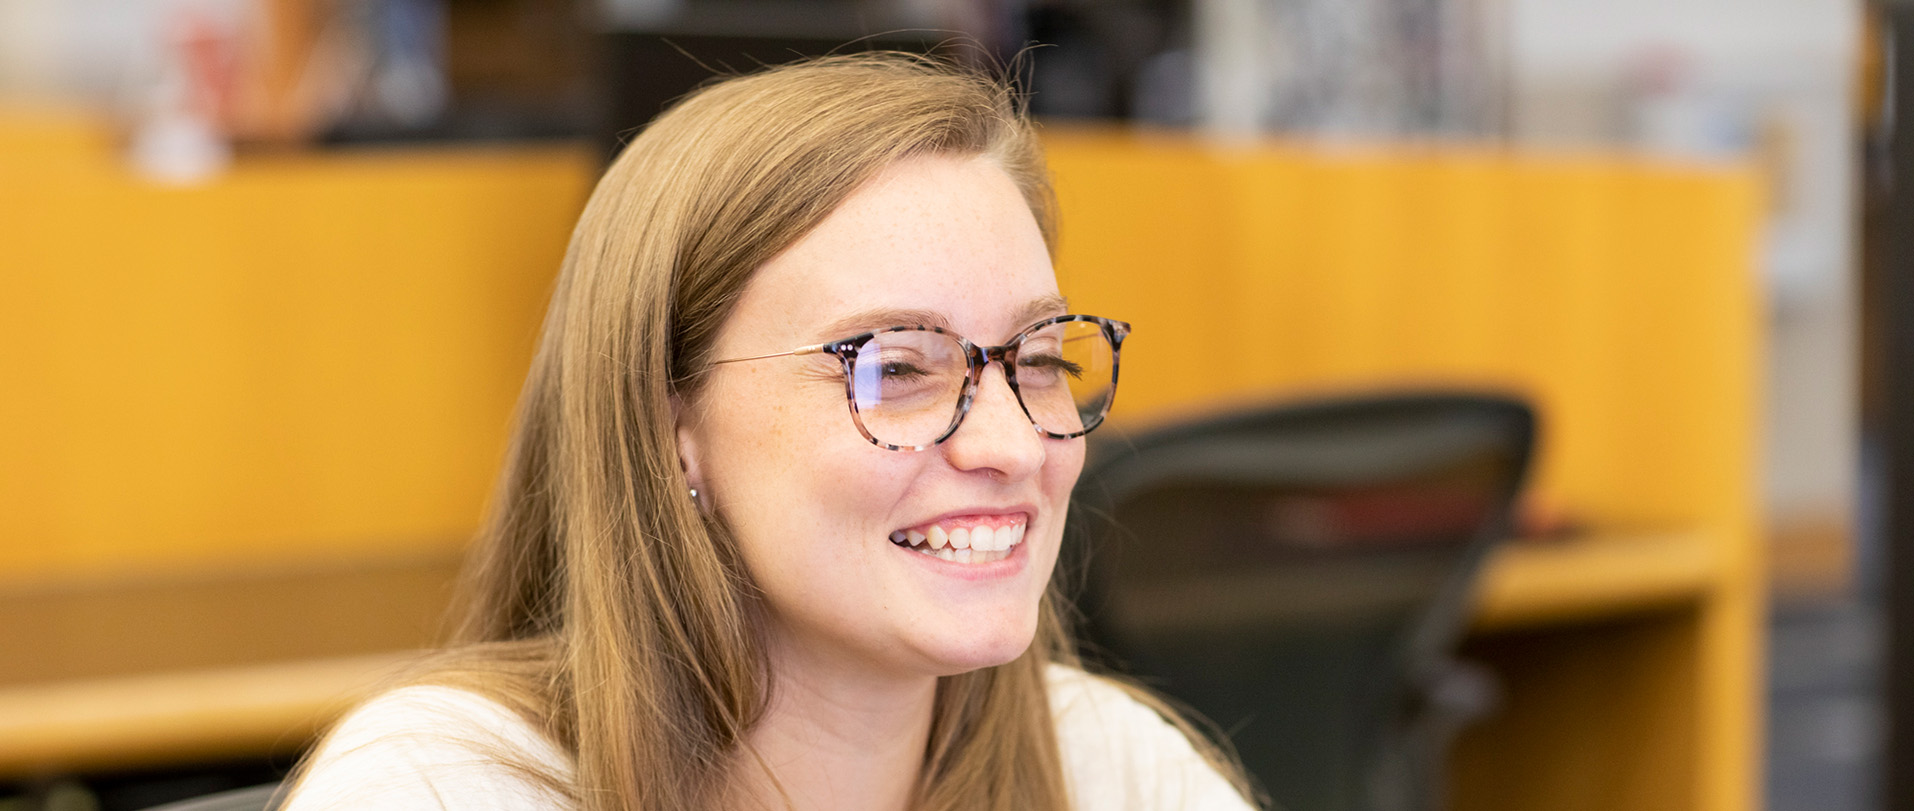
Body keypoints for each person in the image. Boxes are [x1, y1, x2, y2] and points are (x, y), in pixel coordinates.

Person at [281, 52, 1259, 811]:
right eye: (897, 368)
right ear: (673, 427)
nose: (1010, 444)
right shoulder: (441, 788)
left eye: (1041, 357)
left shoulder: (1112, 769)